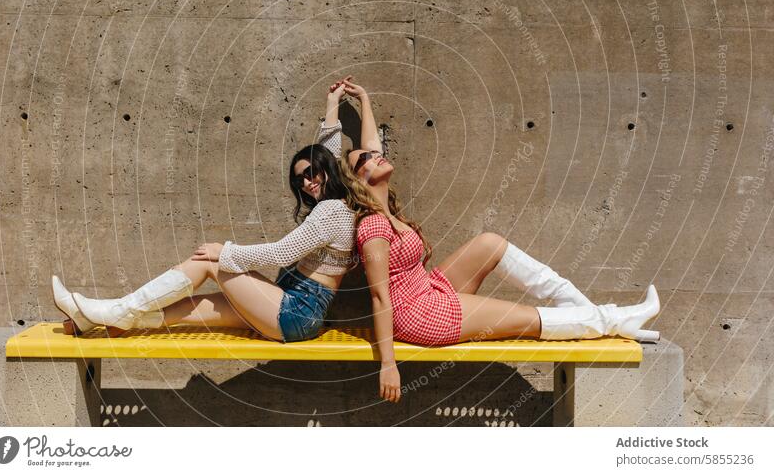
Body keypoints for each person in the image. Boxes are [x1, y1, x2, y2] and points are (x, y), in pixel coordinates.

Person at [339, 79, 661, 403]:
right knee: (528, 318)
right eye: (365, 159)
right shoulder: (374, 228)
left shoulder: (385, 211)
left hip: (429, 291)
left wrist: (364, 99)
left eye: (373, 152)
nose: (375, 154)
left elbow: (370, 149)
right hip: (422, 315)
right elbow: (380, 299)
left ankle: (590, 313)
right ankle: (615, 319)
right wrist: (388, 364)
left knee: (489, 243)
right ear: (359, 181)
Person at [53, 77, 360, 343]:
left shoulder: (332, 210)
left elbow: (280, 254)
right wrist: (332, 102)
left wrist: (222, 253)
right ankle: (99, 320)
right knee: (192, 308)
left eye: (311, 174)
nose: (307, 183)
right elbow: (327, 154)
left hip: (296, 312)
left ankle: (116, 309)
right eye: (299, 179)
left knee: (208, 264)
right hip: (289, 305)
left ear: (327, 170)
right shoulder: (333, 201)